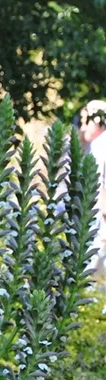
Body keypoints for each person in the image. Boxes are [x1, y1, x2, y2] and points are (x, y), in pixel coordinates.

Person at [79, 100, 106, 283]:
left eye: (86, 121)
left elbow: (101, 183)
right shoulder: (93, 145)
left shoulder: (101, 145)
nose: (82, 127)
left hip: (98, 220)